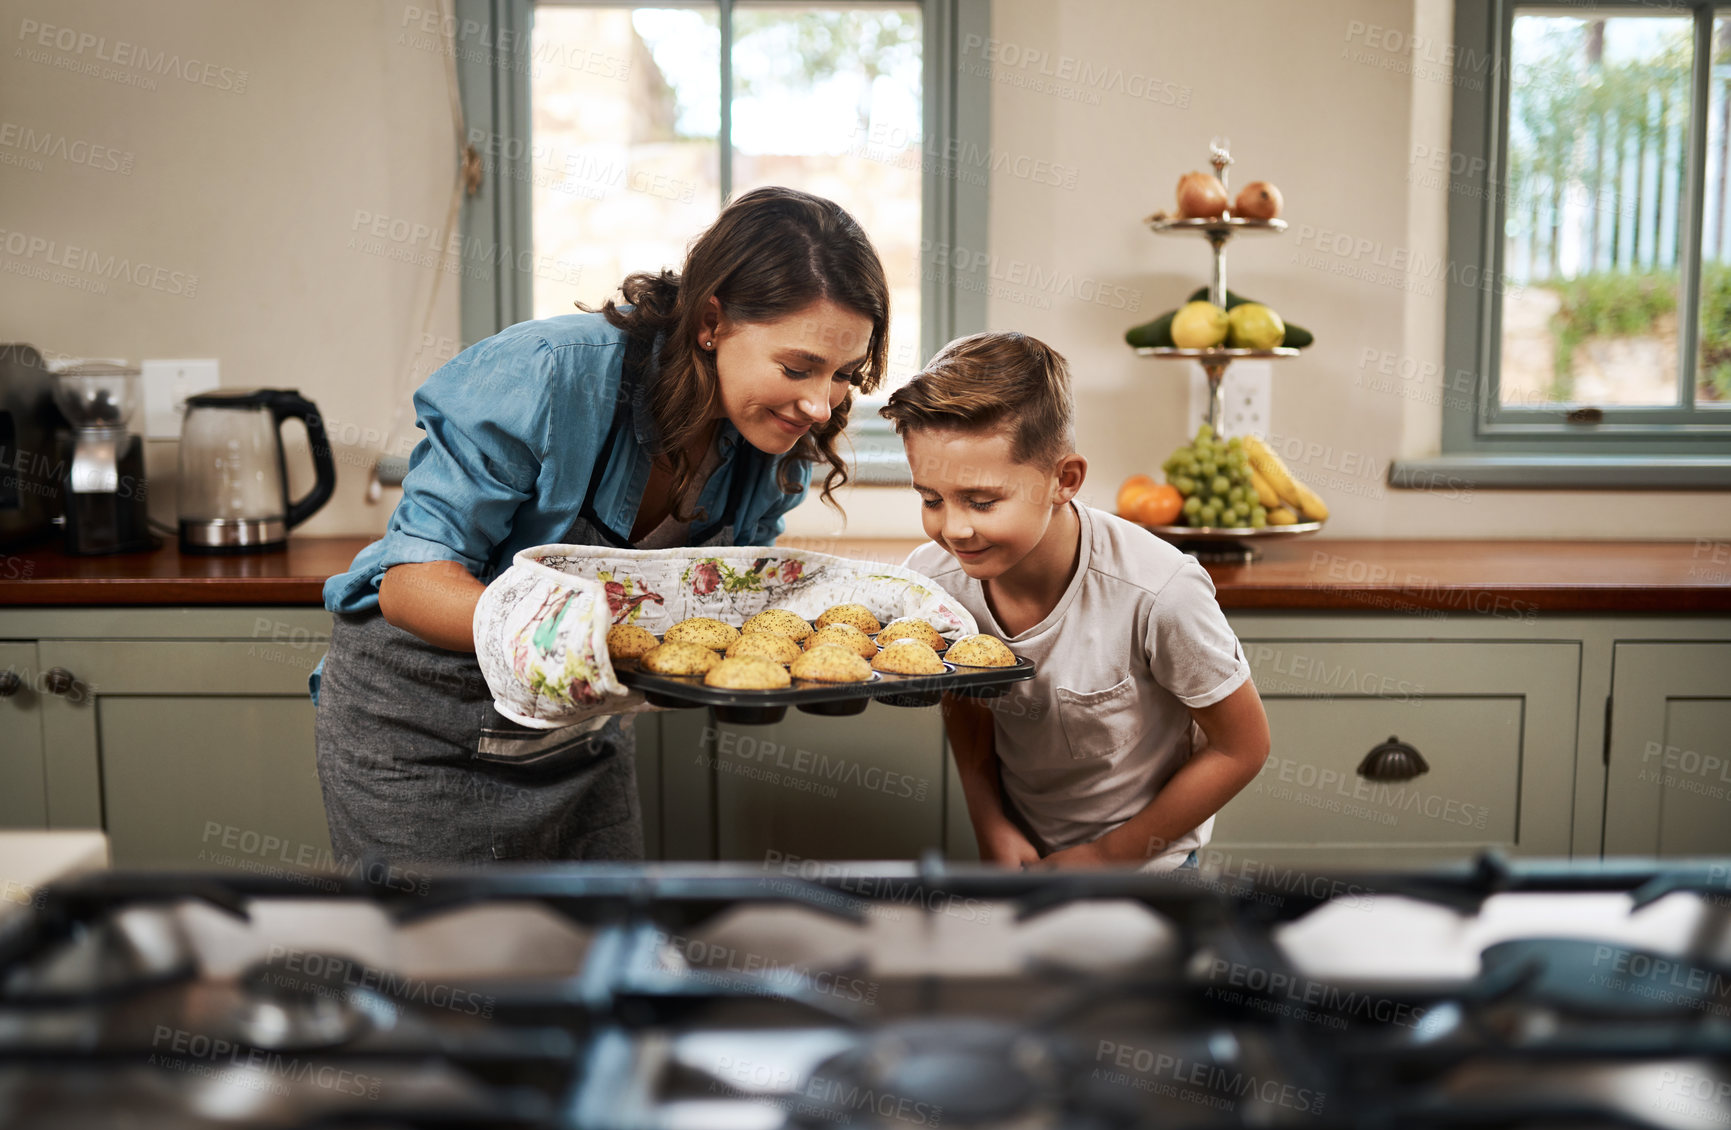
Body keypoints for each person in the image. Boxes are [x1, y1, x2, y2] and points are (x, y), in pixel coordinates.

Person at [314, 187, 891, 866]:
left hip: (582, 732)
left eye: (843, 376)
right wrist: (586, 642)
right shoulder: (549, 373)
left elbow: (710, 604)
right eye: (797, 367)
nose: (821, 406)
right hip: (424, 730)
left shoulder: (769, 442)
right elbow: (411, 585)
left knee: (604, 960)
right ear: (712, 320)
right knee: (444, 967)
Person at [881, 332, 1270, 871]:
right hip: (1022, 856)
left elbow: (1242, 748)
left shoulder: (1161, 591)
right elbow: (966, 702)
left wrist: (1107, 856)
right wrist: (989, 822)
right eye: (930, 499)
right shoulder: (934, 582)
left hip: (1147, 870)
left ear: (1064, 479)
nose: (955, 529)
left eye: (983, 501)